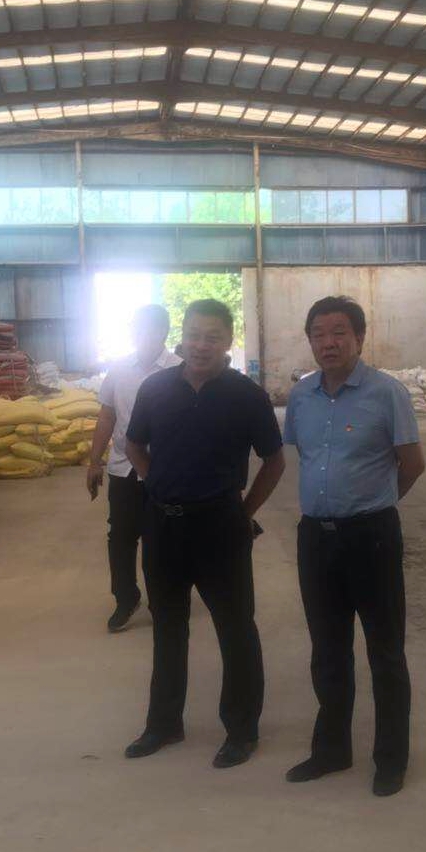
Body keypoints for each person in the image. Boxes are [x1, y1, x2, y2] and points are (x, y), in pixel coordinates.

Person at [122, 299, 285, 769]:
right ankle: (164, 723)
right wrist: (156, 482)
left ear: (228, 340)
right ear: (182, 336)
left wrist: (243, 511)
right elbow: (133, 443)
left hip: (220, 527)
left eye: (212, 337)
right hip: (164, 527)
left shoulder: (246, 396)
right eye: (194, 335)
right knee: (167, 628)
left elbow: (274, 461)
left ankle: (241, 730)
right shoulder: (155, 388)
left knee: (235, 629)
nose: (200, 345)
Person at [282, 296, 425, 798]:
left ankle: (391, 759)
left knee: (385, 650)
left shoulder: (387, 394)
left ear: (359, 338)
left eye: (339, 332)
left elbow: (412, 464)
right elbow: (305, 455)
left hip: (372, 536)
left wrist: (376, 504)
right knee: (327, 647)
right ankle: (331, 750)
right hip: (315, 537)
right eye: (319, 333)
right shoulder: (301, 397)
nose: (329, 342)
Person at [87, 305, 180, 632]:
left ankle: (162, 599)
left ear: (163, 332)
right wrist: (94, 460)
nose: (143, 336)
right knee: (120, 538)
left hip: (164, 471)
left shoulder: (179, 370)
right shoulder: (119, 370)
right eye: (137, 329)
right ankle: (125, 598)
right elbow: (107, 416)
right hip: (123, 469)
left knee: (161, 539)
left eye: (150, 329)